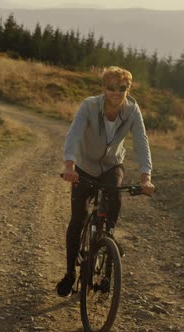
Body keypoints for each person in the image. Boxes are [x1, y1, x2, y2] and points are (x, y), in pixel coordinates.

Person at [56, 66, 155, 297]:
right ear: (104, 88)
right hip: (84, 166)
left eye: (122, 88)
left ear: (128, 89)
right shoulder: (89, 105)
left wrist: (146, 178)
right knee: (77, 219)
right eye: (111, 88)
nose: (117, 93)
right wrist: (69, 166)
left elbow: (141, 142)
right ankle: (70, 274)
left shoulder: (132, 110)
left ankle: (108, 259)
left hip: (112, 165)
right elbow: (74, 134)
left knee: (114, 199)